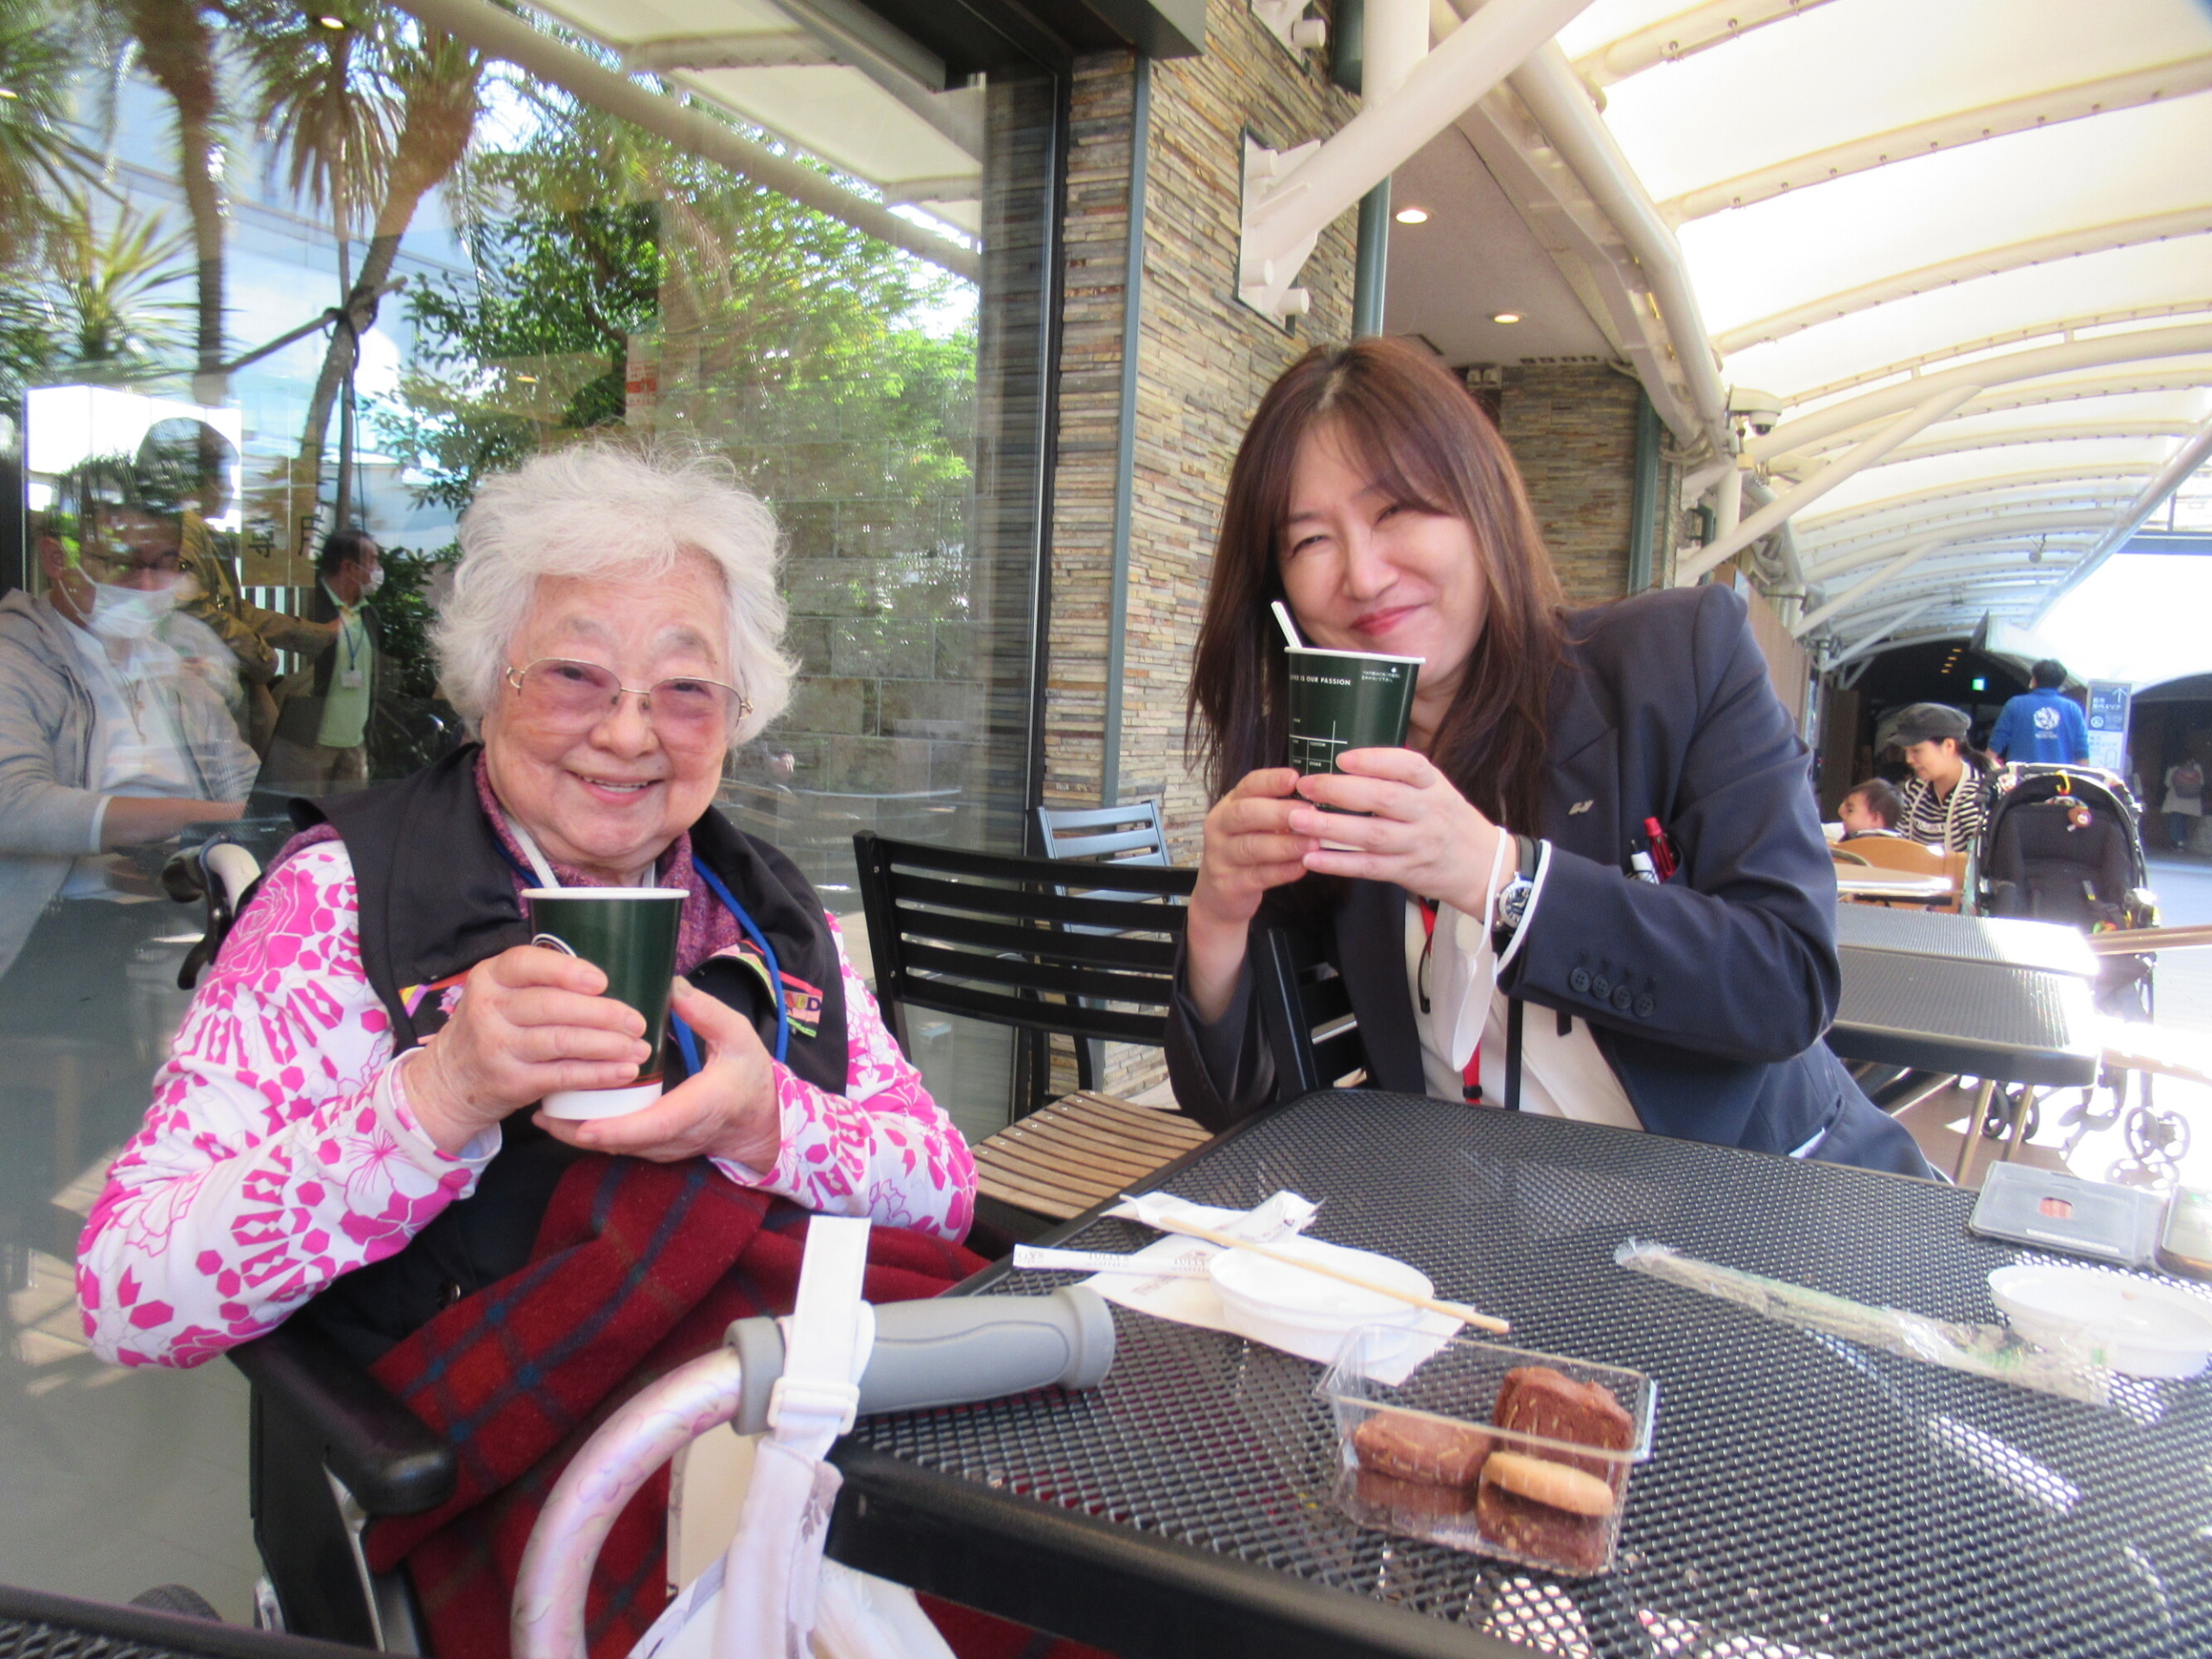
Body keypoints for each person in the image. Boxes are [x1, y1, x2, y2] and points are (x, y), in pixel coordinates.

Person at [75, 443, 980, 1656]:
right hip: (533, 1467)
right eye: (572, 675)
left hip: (794, 1428)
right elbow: (129, 1291)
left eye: (683, 689)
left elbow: (944, 1180)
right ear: (485, 685)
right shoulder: (347, 897)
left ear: (737, 713)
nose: (626, 734)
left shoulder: (762, 906)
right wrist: (434, 1100)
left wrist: (767, 1126)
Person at [1166, 338, 1929, 1177]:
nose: (1363, 575)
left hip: (1760, 1207)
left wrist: (1498, 875)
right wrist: (1216, 914)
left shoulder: (1675, 662)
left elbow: (1786, 983)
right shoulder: (1326, 760)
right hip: (1488, 1251)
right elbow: (1243, 1113)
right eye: (1310, 541)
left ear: (1480, 503)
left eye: (1396, 512)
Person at [0, 455, 256, 980]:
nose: (145, 585)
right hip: (57, 930)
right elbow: (14, 805)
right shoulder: (15, 656)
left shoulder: (174, 668)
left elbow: (248, 786)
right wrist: (199, 819)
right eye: (120, 561)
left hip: (188, 909)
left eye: (165, 563)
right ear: (55, 557)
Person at [137, 417, 334, 751]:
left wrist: (318, 637)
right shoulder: (183, 528)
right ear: (196, 481)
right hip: (195, 694)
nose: (228, 488)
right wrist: (259, 656)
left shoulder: (195, 530)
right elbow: (192, 607)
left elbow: (231, 611)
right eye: (223, 475)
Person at [262, 527, 385, 791]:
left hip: (355, 740)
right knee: (305, 819)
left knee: (348, 820)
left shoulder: (369, 614)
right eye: (372, 561)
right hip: (306, 740)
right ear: (349, 568)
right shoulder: (305, 607)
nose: (378, 569)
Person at [1891, 702, 1995, 854]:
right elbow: (1900, 845)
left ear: (1948, 746)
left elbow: (1977, 862)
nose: (1909, 760)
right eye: (1906, 751)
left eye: (1916, 750)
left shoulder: (1977, 796)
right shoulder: (1913, 789)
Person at [1989, 658, 2089, 765]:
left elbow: (1998, 740)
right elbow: (2081, 749)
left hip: (2022, 776)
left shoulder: (2016, 704)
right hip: (2060, 777)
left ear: (2034, 680)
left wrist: (1984, 768)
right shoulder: (2072, 709)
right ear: (2061, 682)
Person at [1837, 778, 1904, 840]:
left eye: (1850, 811)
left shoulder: (1852, 840)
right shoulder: (1903, 845)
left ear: (1875, 818)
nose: (1841, 813)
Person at [2164, 752, 2204, 852]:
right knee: (2185, 821)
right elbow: (2201, 783)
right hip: (2192, 801)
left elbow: (2168, 783)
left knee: (2175, 821)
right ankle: (2183, 842)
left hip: (2176, 800)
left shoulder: (2174, 768)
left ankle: (2177, 842)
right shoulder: (2197, 768)